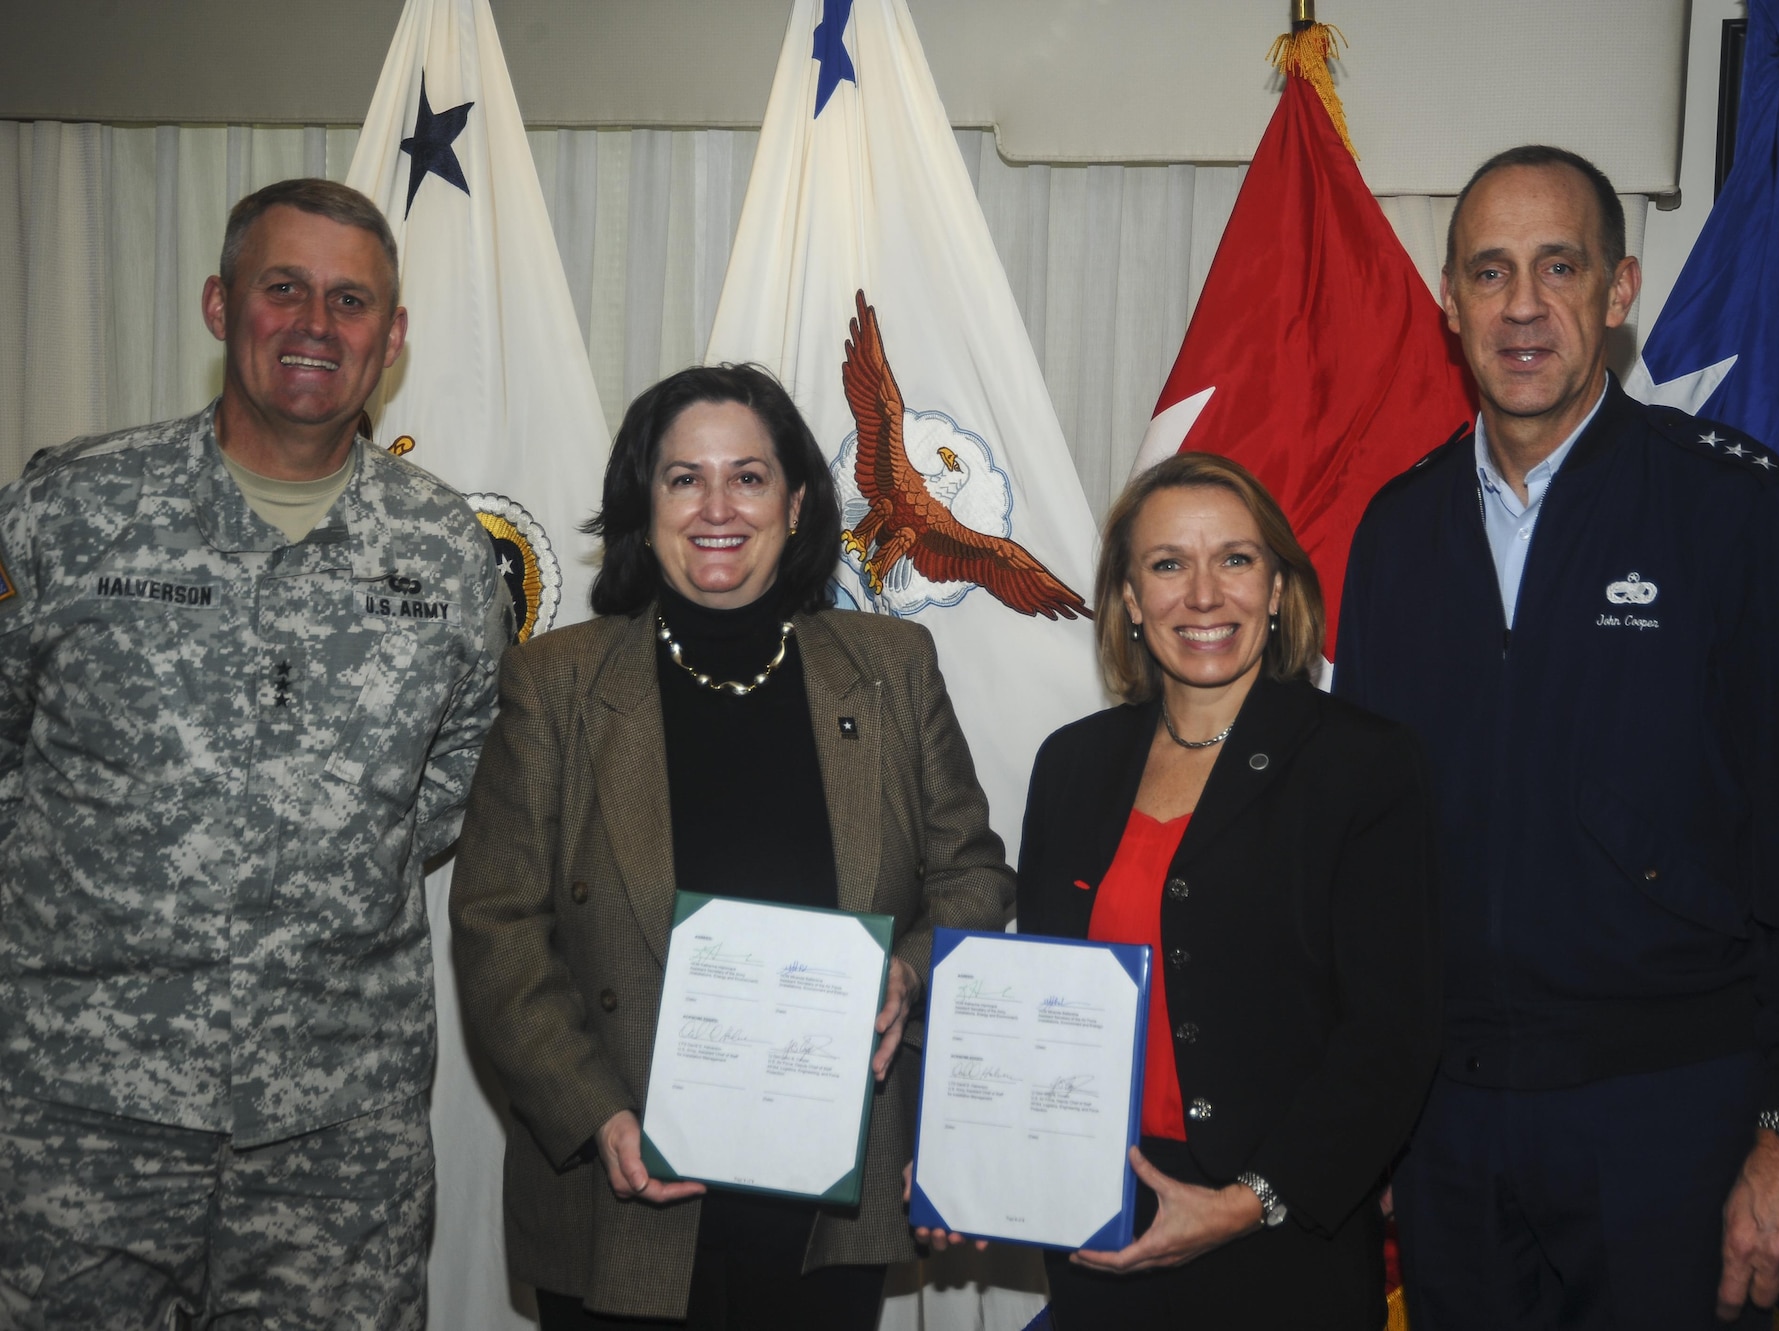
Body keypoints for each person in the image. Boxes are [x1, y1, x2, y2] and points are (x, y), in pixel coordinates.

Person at [1335, 145, 1779, 1329]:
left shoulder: (1736, 512)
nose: (1523, 306)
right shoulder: (1395, 535)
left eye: (1558, 266)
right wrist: (1375, 1107)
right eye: (1488, 273)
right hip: (1448, 1131)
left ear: (1617, 289)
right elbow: (1370, 852)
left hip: (1676, 1127)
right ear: (1448, 303)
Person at [0, 179, 509, 1327]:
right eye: (283, 289)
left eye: (351, 300)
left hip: (337, 1130)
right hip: (83, 1120)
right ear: (219, 304)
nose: (316, 325)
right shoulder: (68, 511)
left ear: (392, 338)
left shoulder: (440, 551)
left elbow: (451, 784)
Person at [448, 362, 1015, 1329]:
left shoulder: (890, 666)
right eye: (684, 478)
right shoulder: (557, 682)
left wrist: (910, 978)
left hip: (831, 1190)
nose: (719, 506)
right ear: (644, 505)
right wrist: (593, 1113)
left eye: (748, 477)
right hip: (623, 1179)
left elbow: (972, 878)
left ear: (795, 503)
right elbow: (497, 922)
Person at [1005, 451, 1441, 1328]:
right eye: (1168, 565)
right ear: (1130, 599)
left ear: (1278, 588)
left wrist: (1249, 1200)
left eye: (1235, 560)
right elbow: (1040, 998)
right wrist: (974, 1153)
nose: (1203, 595)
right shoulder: (1072, 764)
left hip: (1281, 1240)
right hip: (1103, 1222)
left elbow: (1393, 1035)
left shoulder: (1364, 764)